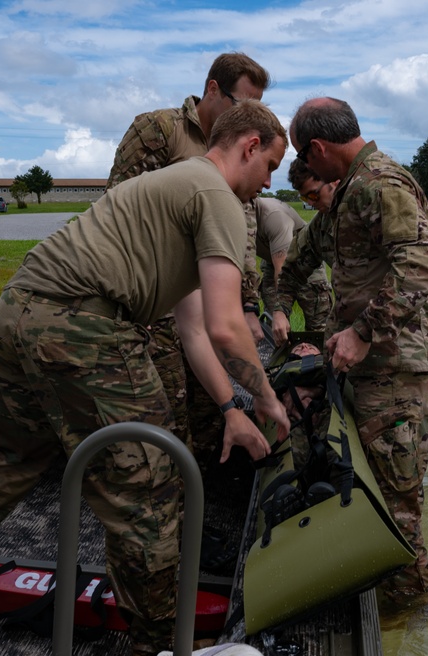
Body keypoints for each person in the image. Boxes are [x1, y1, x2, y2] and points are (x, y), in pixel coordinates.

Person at [0, 100, 292, 656]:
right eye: (271, 166)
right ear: (249, 145)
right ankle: (159, 645)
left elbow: (193, 327)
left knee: (2, 462)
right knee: (151, 486)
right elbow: (230, 328)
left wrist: (231, 405)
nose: (269, 182)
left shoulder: (169, 189)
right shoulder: (217, 195)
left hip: (17, 313)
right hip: (86, 326)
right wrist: (269, 402)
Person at [274, 97, 428, 606]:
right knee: (374, 474)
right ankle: (386, 584)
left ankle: (412, 605)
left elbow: (420, 267)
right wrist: (282, 306)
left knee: (397, 496)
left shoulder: (380, 184)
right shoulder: (342, 202)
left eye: (307, 161)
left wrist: (362, 332)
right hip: (374, 362)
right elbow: (298, 261)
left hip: (398, 359)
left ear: (318, 147)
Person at [106, 52, 271, 462]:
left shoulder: (240, 154)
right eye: (243, 105)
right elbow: (121, 209)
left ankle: (206, 500)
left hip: (211, 294)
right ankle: (176, 505)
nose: (251, 118)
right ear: (212, 89)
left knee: (213, 403)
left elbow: (242, 232)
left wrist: (248, 302)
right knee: (169, 404)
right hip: (158, 300)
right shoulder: (160, 129)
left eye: (258, 110)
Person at [286, 155, 428, 479]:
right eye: (304, 199)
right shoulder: (326, 223)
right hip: (355, 347)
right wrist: (277, 311)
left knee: (411, 418)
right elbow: (291, 268)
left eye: (313, 195)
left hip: (408, 342)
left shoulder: (377, 193)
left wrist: (361, 331)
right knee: (394, 420)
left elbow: (421, 267)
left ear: (333, 179)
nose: (311, 204)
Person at [250, 196, 332, 331]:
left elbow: (282, 270)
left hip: (305, 260)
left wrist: (280, 311)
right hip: (271, 261)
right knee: (273, 324)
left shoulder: (273, 216)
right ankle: (281, 349)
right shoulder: (226, 217)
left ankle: (316, 350)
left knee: (318, 321)